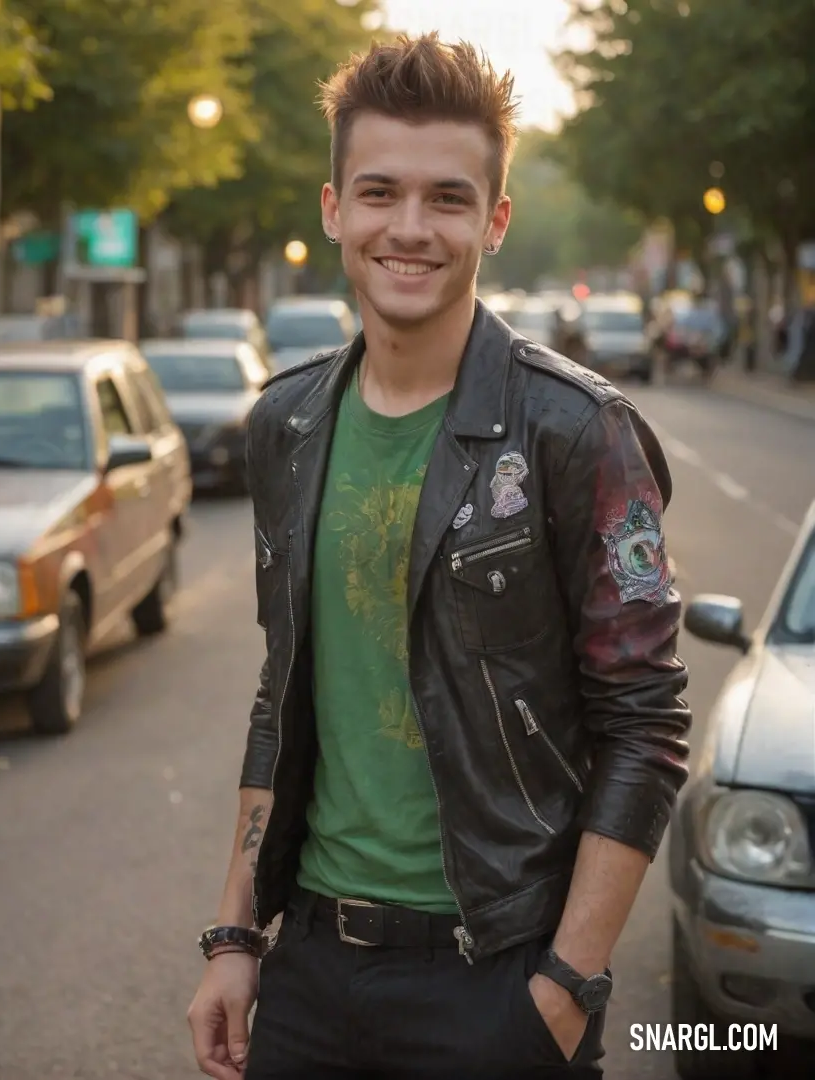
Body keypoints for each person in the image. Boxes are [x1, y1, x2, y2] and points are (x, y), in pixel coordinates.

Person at [187, 32, 691, 1080]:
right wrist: (236, 938)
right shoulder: (285, 425)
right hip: (312, 971)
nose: (409, 229)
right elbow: (281, 699)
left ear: (494, 220)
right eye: (378, 192)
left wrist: (567, 987)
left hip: (497, 977)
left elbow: (645, 724)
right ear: (334, 210)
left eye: (448, 199)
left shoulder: (573, 432)